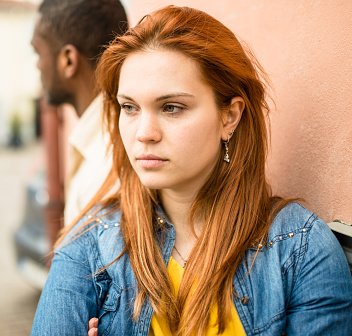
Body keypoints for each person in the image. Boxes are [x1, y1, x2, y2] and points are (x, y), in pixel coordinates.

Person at [31, 6, 352, 336]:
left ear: (230, 117)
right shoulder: (88, 245)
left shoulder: (300, 249)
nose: (144, 132)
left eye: (171, 107)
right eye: (129, 107)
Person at [31, 0, 128, 226]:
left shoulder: (104, 165)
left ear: (68, 60)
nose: (36, 65)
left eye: (37, 52)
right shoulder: (103, 140)